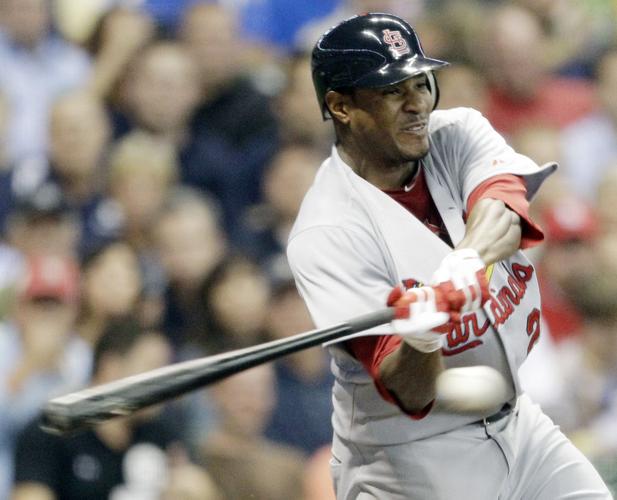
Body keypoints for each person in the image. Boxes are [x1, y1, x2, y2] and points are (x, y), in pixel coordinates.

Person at [286, 13, 612, 499]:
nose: (418, 103)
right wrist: (421, 337)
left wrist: (463, 264)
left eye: (422, 82)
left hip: (520, 425)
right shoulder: (325, 233)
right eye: (394, 90)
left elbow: (503, 208)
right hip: (411, 463)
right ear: (341, 106)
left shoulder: (455, 132)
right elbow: (410, 392)